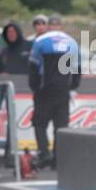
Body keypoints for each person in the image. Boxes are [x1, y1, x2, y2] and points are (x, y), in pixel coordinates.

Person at [27, 15, 81, 169]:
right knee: (61, 126)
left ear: (48, 26)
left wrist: (34, 87)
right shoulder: (71, 42)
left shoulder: (40, 41)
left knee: (39, 124)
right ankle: (58, 159)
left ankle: (44, 154)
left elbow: (33, 66)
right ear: (61, 26)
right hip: (62, 89)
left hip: (45, 89)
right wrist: (72, 86)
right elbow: (77, 69)